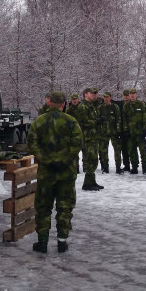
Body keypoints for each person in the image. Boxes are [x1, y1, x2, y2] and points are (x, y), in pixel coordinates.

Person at [28, 92, 83, 254]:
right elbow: (77, 144)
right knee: (65, 206)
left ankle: (42, 242)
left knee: (43, 207)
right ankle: (62, 241)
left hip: (46, 173)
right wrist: (63, 160)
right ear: (63, 104)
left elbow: (32, 144)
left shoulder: (38, 122)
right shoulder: (71, 122)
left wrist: (47, 160)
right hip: (66, 172)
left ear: (49, 103)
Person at [72, 88, 104, 191]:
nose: (95, 95)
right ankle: (87, 184)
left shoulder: (92, 106)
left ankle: (91, 181)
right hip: (87, 138)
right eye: (93, 93)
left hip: (94, 137)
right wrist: (96, 121)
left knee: (94, 160)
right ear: (86, 94)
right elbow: (83, 122)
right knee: (90, 160)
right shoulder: (83, 106)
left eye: (96, 93)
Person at [123, 89, 146, 174]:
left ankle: (144, 168)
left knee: (143, 151)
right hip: (131, 133)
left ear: (136, 94)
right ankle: (134, 167)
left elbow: (145, 118)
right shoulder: (126, 106)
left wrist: (144, 129)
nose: (132, 95)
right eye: (130, 94)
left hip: (140, 133)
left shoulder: (141, 104)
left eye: (133, 94)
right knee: (132, 151)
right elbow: (124, 119)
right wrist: (125, 130)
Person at [99, 92, 123, 174]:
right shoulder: (101, 107)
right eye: (104, 97)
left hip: (114, 132)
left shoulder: (114, 106)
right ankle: (105, 168)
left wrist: (118, 130)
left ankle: (118, 167)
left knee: (117, 150)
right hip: (104, 132)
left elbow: (118, 119)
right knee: (104, 150)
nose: (105, 98)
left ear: (110, 97)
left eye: (107, 97)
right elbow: (98, 120)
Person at [119, 90, 133, 173]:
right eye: (125, 95)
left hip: (132, 130)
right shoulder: (120, 105)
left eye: (127, 95)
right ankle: (126, 165)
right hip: (122, 130)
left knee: (132, 149)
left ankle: (134, 165)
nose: (126, 97)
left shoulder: (133, 104)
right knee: (124, 149)